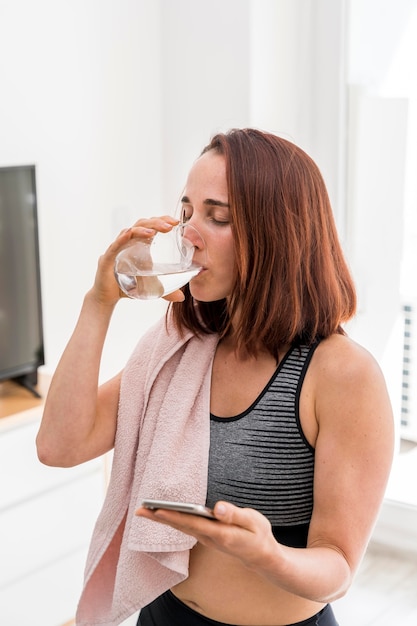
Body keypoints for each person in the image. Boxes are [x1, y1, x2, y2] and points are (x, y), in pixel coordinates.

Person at [37, 128, 394, 626]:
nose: (187, 233)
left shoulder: (340, 374)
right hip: (162, 615)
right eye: (186, 212)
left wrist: (266, 553)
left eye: (217, 216)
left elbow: (337, 568)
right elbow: (59, 445)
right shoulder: (181, 343)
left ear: (279, 232)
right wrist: (99, 303)